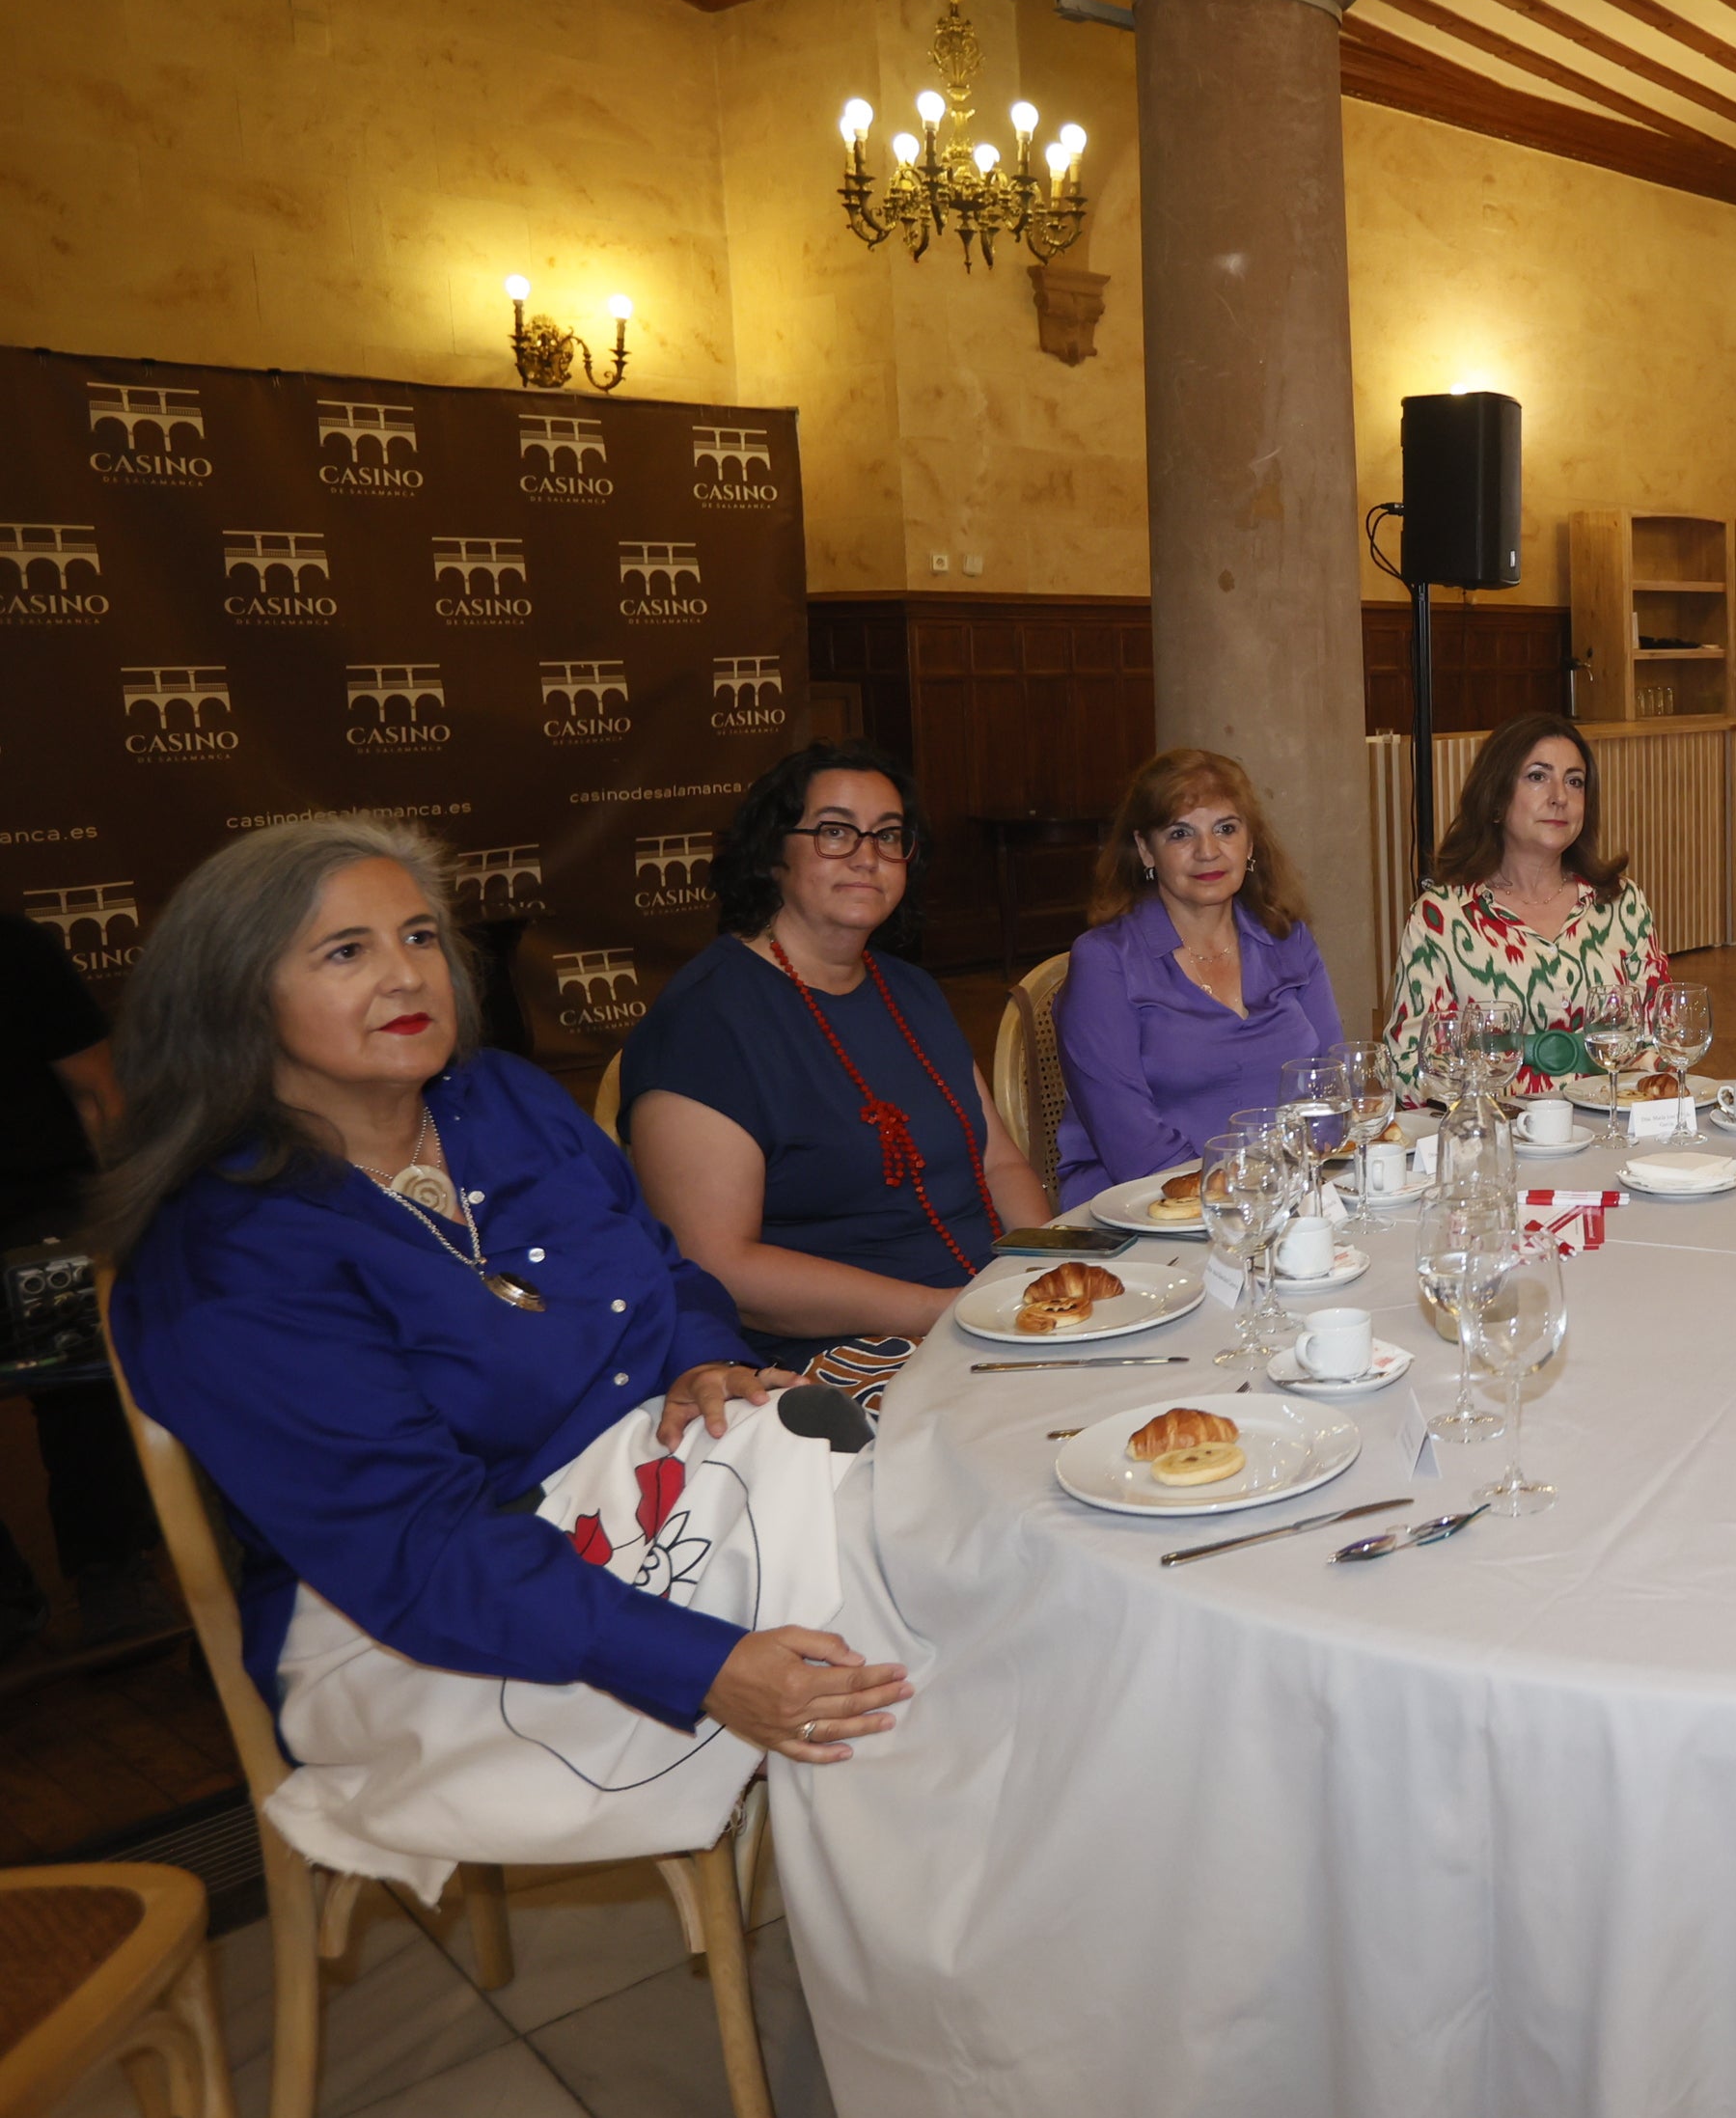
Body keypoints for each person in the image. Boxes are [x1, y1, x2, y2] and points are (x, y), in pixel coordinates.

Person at [95, 820, 907, 1877]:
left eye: (421, 934)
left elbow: (662, 1269)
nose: (405, 973)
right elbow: (419, 1548)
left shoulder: (504, 1100)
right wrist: (706, 1665)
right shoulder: (230, 1253)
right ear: (235, 999)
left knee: (906, 1538)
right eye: (346, 951)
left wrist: (704, 1356)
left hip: (642, 1492)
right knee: (896, 1635)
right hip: (409, 1628)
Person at [624, 741, 1048, 1362]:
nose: (867, 857)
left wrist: (1048, 1274)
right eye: (834, 832)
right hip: (839, 1355)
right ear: (774, 852)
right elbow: (720, 1266)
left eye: (888, 835)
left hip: (996, 1319)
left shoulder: (911, 989)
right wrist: (949, 1312)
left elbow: (998, 1164)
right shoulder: (705, 1023)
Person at [1052, 748, 1341, 1200]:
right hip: (1144, 1212)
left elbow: (1329, 1087)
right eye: (1180, 833)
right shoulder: (1105, 962)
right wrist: (1238, 1198)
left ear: (1250, 844)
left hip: (1284, 1196)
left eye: (1226, 829)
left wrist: (1286, 1191)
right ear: (1146, 850)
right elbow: (1133, 1147)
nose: (1208, 851)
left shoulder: (1288, 938)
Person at [0, 911, 163, 1658]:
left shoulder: (11, 941)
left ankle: (109, 1571)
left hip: (37, 1209)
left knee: (81, 1397)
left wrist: (133, 1220)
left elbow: (98, 1088)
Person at [1383, 713, 1669, 1094]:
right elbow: (1408, 1066)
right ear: (1497, 799)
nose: (1560, 797)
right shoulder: (1441, 917)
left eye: (1574, 781)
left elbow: (1662, 1036)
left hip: (1610, 1130)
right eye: (1537, 776)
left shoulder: (1621, 902)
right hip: (1499, 1136)